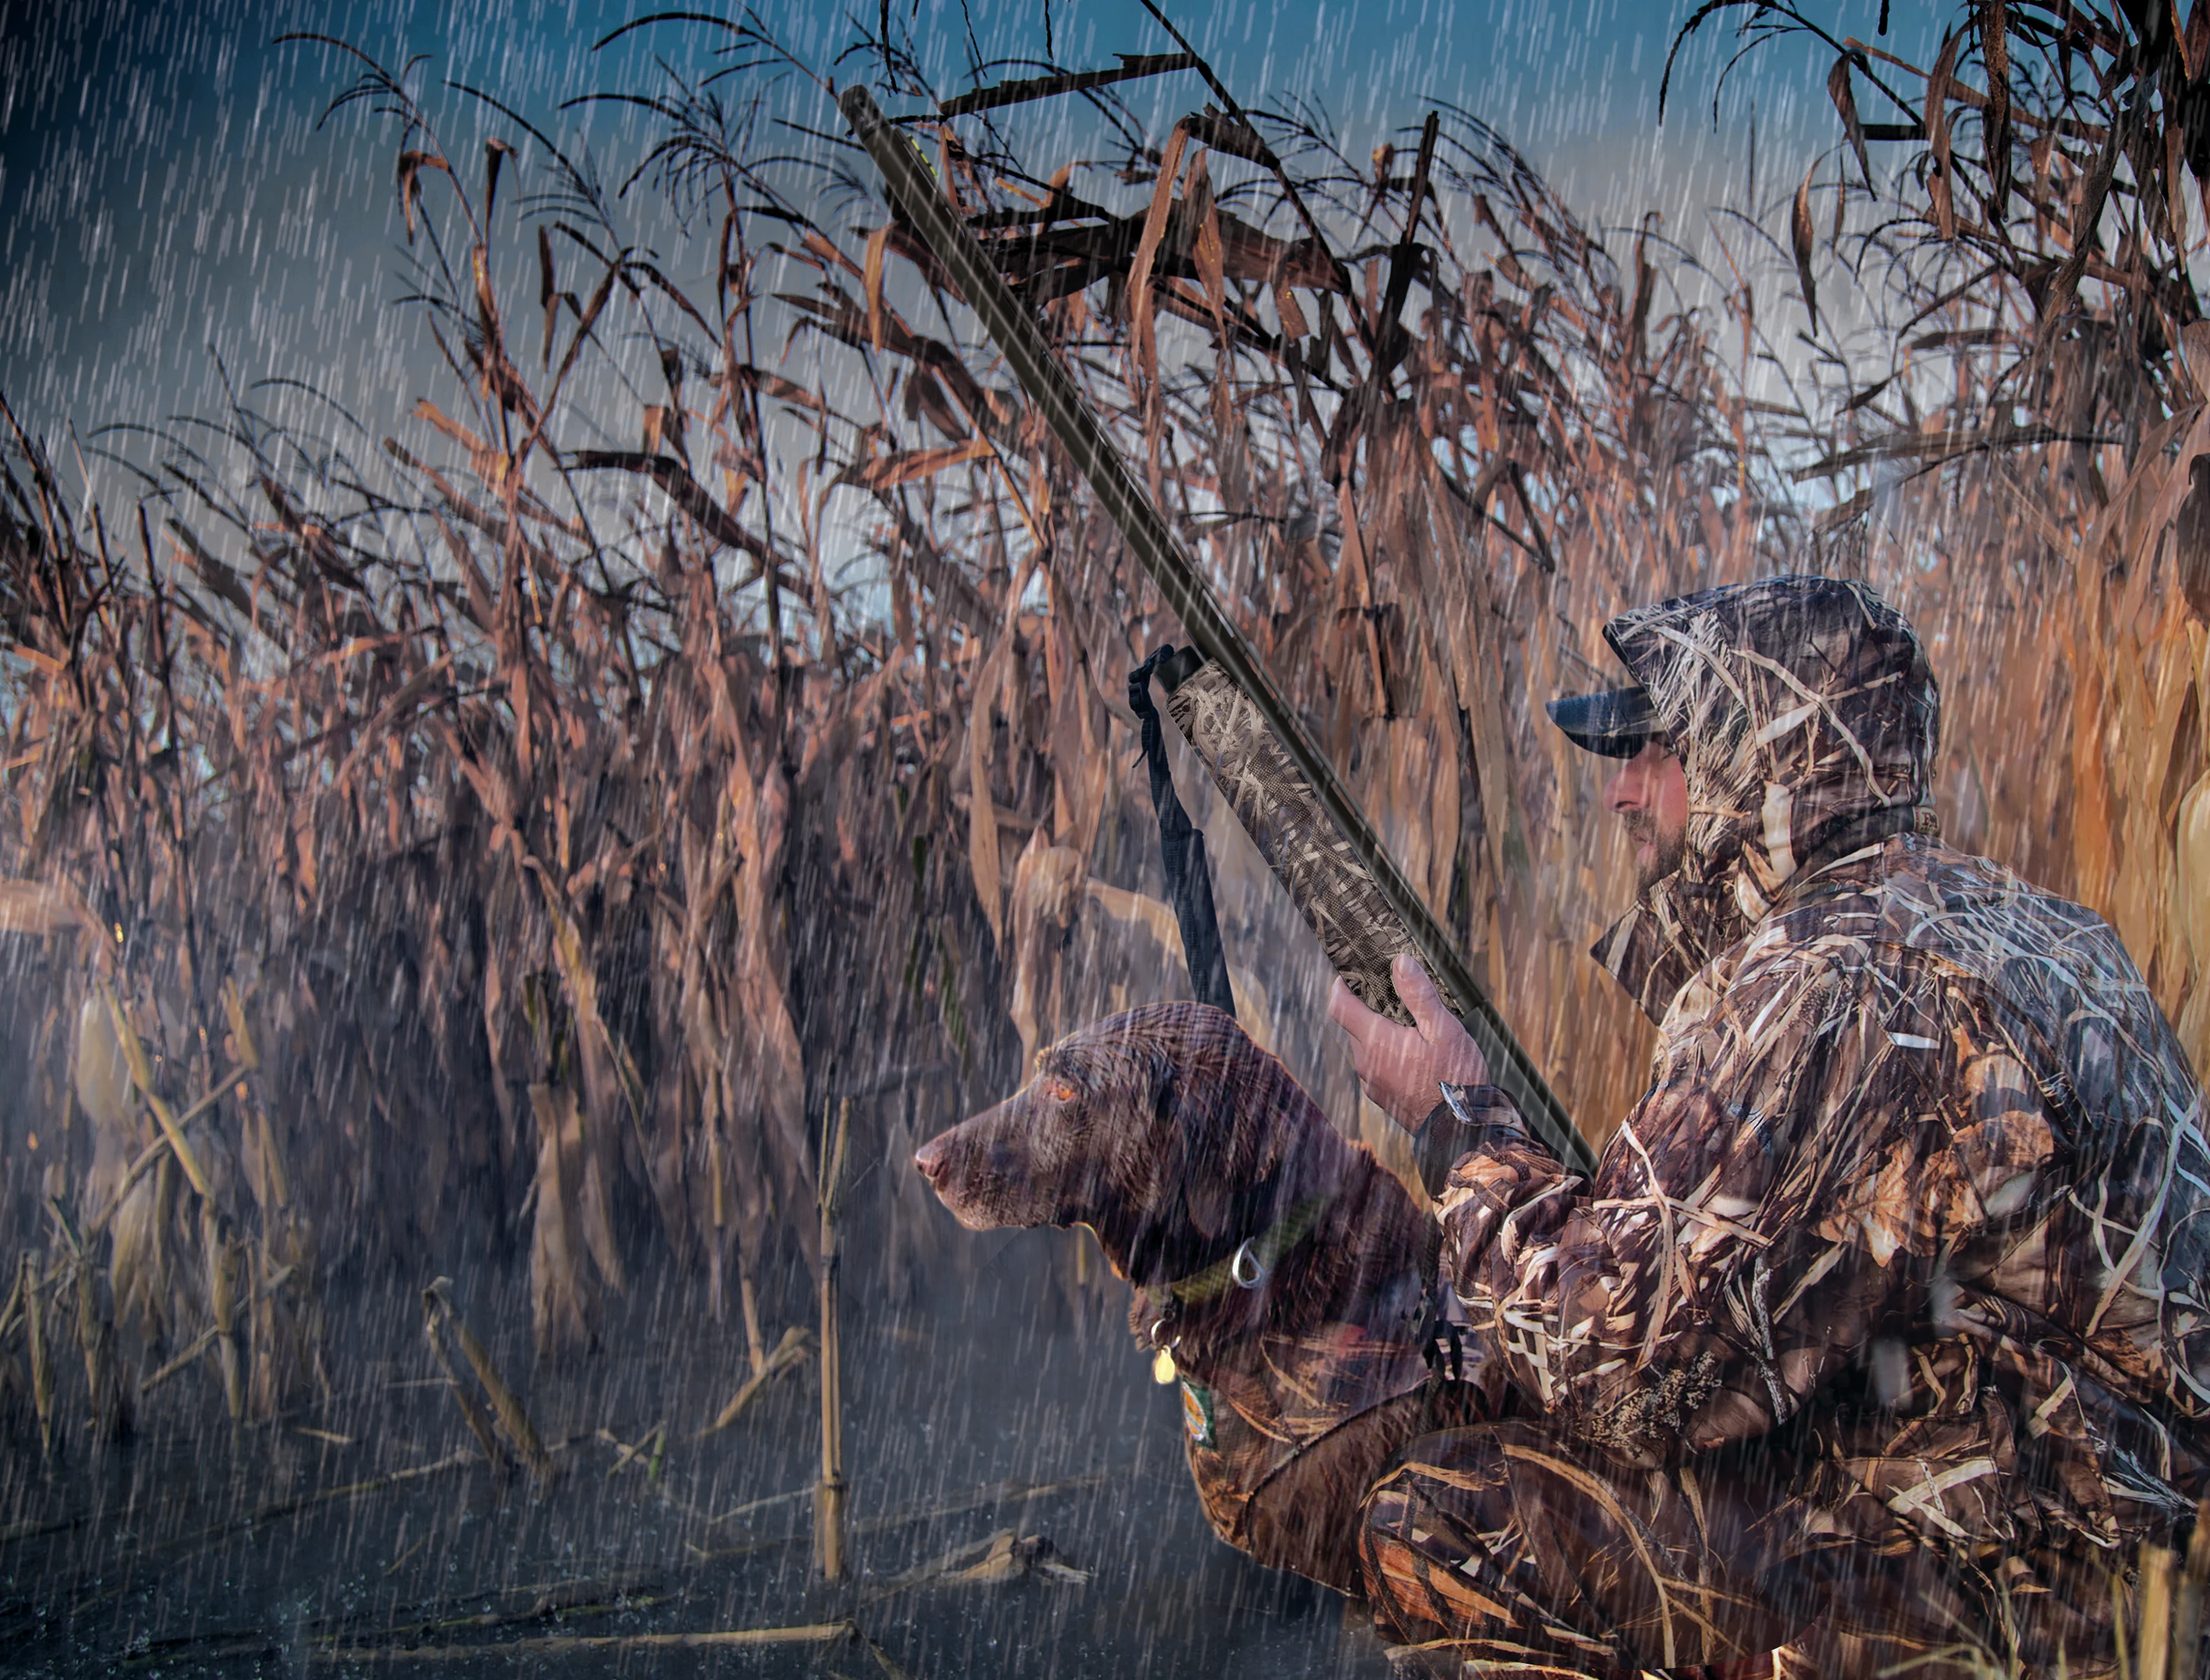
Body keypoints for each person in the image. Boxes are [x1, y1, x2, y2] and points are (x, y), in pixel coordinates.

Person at [1326, 574, 2210, 1679]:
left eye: (1658, 750)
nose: (1621, 795)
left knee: (1450, 1517)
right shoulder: (2032, 929)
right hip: (2127, 1558)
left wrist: (1455, 1123)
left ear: (1766, 762)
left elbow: (1616, 1374)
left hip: (2027, 1603)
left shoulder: (1838, 978)